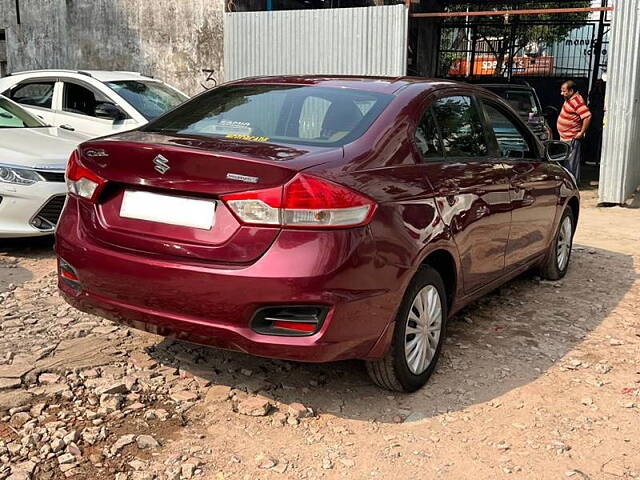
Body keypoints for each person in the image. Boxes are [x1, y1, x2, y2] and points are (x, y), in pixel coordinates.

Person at [557, 80, 592, 184]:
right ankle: (568, 183)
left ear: (571, 91)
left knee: (571, 164)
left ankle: (572, 185)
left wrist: (581, 132)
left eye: (564, 91)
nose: (561, 93)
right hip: (565, 137)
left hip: (571, 138)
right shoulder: (569, 99)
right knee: (566, 162)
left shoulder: (576, 101)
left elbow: (587, 116)